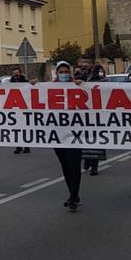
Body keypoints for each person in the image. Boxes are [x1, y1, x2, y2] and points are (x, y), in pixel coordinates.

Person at [51, 61, 84, 211]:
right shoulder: (49, 88)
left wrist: (82, 86)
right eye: (61, 72)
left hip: (75, 134)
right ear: (56, 73)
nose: (64, 74)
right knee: (65, 165)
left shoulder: (78, 86)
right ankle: (73, 194)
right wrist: (33, 86)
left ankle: (73, 196)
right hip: (58, 134)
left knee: (74, 165)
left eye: (66, 71)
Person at [10, 67, 31, 154]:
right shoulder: (9, 84)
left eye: (17, 73)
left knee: (25, 128)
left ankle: (26, 146)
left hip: (24, 108)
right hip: (15, 109)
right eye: (15, 74)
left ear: (20, 73)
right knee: (16, 129)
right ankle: (18, 147)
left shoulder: (25, 83)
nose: (16, 75)